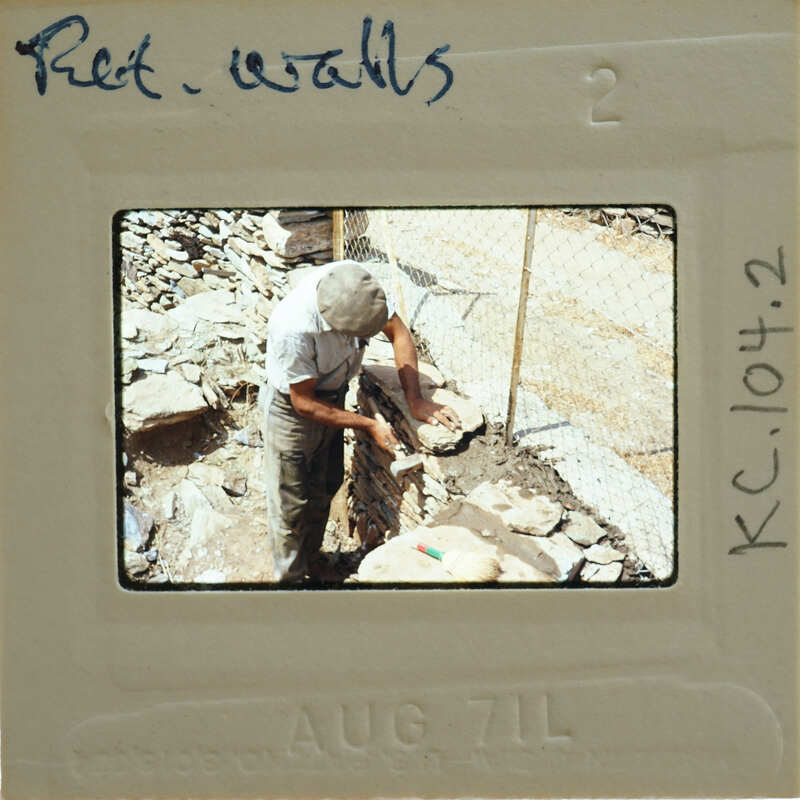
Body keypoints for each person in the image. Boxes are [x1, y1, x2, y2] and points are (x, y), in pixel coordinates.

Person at [262, 260, 460, 583]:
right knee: (289, 505)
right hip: (292, 412)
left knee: (325, 485)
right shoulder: (292, 326)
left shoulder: (358, 285)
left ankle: (312, 562)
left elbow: (398, 332)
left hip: (332, 395)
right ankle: (291, 584)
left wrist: (415, 399)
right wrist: (368, 425)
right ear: (337, 326)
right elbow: (303, 403)